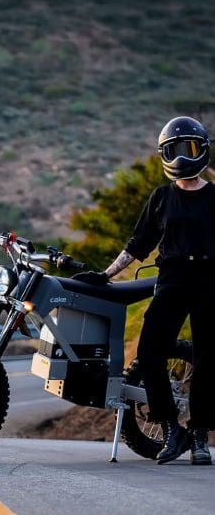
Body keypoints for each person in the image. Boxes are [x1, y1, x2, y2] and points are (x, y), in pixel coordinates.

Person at [74, 116, 214, 465]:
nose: (184, 155)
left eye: (190, 147)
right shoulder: (161, 197)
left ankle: (200, 437)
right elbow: (138, 244)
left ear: (203, 150)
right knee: (150, 352)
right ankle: (171, 430)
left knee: (207, 360)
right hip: (171, 281)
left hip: (211, 282)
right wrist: (105, 274)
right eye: (176, 149)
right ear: (165, 154)